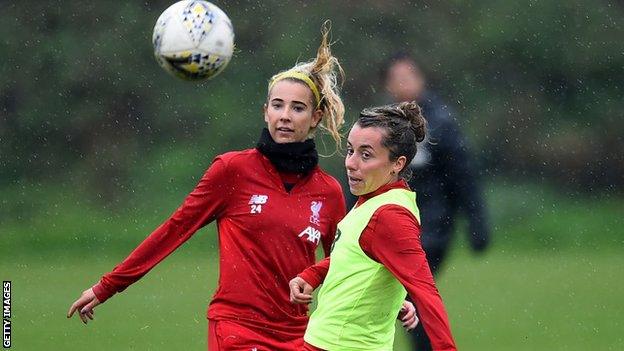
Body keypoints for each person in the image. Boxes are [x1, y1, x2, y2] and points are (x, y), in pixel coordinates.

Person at [68, 24, 352, 351]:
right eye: (277, 105)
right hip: (237, 329)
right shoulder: (233, 170)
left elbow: (342, 263)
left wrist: (382, 295)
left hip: (299, 334)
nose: (285, 116)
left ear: (316, 117)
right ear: (265, 111)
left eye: (297, 108)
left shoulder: (328, 191)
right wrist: (108, 286)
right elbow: (175, 230)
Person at [289, 101, 457, 351]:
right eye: (350, 151)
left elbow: (424, 290)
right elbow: (356, 257)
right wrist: (312, 275)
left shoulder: (390, 216)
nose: (350, 163)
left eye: (365, 154)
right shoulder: (372, 200)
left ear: (397, 164)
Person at [383, 53, 491, 350]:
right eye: (397, 78)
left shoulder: (441, 122)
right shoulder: (381, 126)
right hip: (393, 227)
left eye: (409, 76)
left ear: (421, 80)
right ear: (389, 85)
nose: (403, 84)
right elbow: (362, 174)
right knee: (402, 298)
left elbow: (463, 175)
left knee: (410, 297)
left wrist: (477, 221)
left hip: (433, 227)